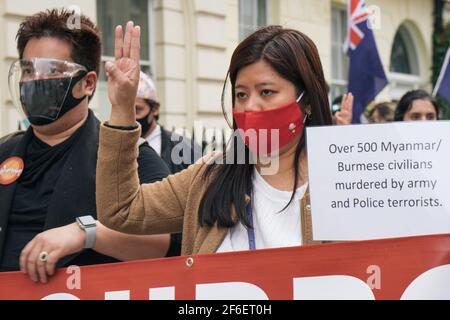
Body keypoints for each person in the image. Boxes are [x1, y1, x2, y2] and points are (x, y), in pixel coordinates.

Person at [96, 24, 333, 255]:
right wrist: (123, 107)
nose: (249, 106)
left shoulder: (345, 178)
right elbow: (121, 210)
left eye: (266, 92)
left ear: (308, 101)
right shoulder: (209, 179)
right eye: (241, 94)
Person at [0, 9, 179, 284]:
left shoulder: (130, 156)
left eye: (50, 70)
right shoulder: (5, 153)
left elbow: (166, 241)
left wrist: (86, 233)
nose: (34, 80)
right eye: (27, 70)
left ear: (87, 83)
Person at [135, 72, 201, 173]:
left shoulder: (186, 149)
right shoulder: (115, 149)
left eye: (137, 110)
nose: (131, 117)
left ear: (155, 109)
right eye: (125, 110)